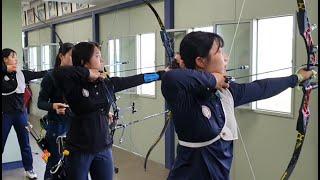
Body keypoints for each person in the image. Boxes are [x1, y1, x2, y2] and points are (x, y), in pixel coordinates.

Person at [161, 31, 315, 180]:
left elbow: (262, 88)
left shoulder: (226, 91)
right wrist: (213, 79)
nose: (226, 57)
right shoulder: (182, 96)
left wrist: (297, 78)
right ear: (201, 61)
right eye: (219, 52)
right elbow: (171, 78)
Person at [52, 41, 167, 180]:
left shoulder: (106, 84)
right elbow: (58, 72)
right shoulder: (72, 84)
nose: (102, 60)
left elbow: (136, 79)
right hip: (79, 149)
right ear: (84, 62)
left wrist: (161, 75)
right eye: (97, 56)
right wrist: (88, 73)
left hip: (103, 148)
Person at [2, 48, 48, 179]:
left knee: (25, 143)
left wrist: (56, 70)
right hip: (5, 114)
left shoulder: (21, 74)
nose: (16, 59)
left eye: (16, 56)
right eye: (13, 56)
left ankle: (29, 169)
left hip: (20, 114)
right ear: (5, 59)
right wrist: (5, 70)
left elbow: (39, 73)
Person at [37, 43, 74, 180]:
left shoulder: (77, 75)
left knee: (73, 162)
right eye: (71, 56)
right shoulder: (50, 76)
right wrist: (54, 106)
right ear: (61, 56)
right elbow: (40, 102)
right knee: (54, 163)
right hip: (57, 125)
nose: (74, 59)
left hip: (74, 125)